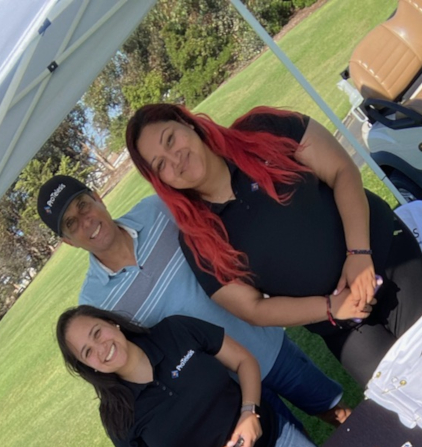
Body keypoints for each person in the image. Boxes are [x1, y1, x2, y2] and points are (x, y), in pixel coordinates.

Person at [125, 104, 422, 388]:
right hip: (339, 323)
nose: (174, 160)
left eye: (170, 140)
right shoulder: (197, 240)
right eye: (160, 164)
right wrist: (331, 307)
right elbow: (253, 308)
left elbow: (342, 171)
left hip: (386, 260)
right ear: (160, 181)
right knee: (404, 397)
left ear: (188, 123)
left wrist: (358, 254)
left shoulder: (263, 129)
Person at [37, 175, 348, 425]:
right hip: (225, 390)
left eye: (82, 205)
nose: (85, 221)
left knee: (338, 413)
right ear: (67, 241)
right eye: (71, 223)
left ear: (97, 197)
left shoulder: (157, 210)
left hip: (265, 342)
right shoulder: (93, 305)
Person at [56, 304, 315, 447]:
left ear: (112, 323)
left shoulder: (174, 331)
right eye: (88, 352)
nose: (101, 349)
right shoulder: (114, 415)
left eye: (97, 333)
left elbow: (243, 361)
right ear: (87, 366)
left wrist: (249, 413)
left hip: (276, 442)